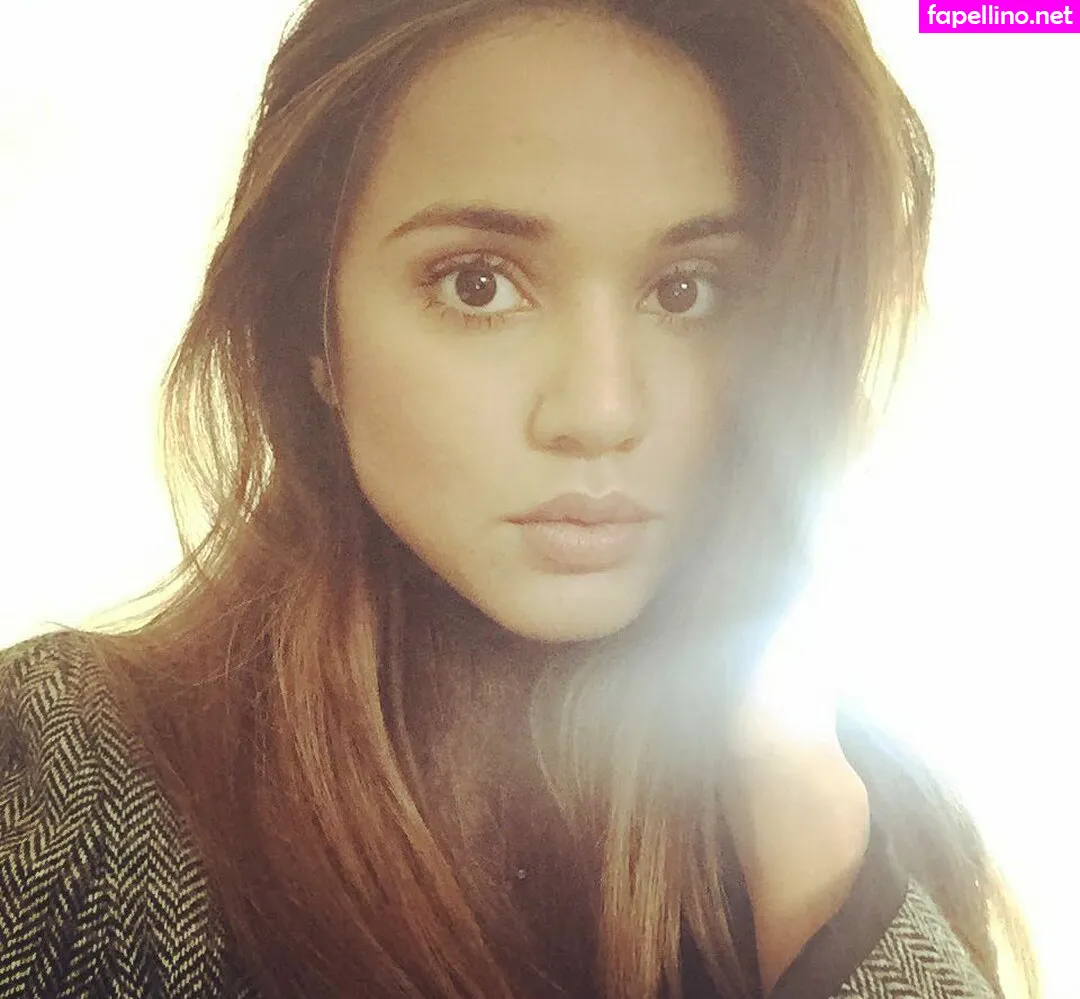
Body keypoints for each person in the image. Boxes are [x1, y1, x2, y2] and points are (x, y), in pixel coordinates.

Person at [0, 1, 1042, 997]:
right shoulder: (67, 768)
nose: (598, 411)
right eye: (479, 284)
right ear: (308, 331)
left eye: (688, 291)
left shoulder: (864, 807)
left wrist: (818, 864)